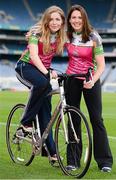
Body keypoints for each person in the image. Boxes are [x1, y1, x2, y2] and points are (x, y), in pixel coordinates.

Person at [65, 4, 113, 172]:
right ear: (69, 20)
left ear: (84, 18)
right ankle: (73, 160)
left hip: (90, 79)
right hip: (71, 79)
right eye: (73, 17)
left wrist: (92, 81)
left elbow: (101, 65)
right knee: (73, 119)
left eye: (79, 17)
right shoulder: (66, 36)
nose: (76, 20)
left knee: (96, 119)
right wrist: (32, 34)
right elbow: (47, 31)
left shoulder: (93, 36)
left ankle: (105, 161)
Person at [15, 5, 66, 161]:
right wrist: (47, 73)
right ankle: (25, 123)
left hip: (43, 70)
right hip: (26, 67)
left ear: (62, 22)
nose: (54, 22)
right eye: (51, 19)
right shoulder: (37, 32)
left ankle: (51, 152)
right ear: (46, 20)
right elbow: (34, 56)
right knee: (43, 85)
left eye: (58, 19)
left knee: (46, 111)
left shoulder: (60, 36)